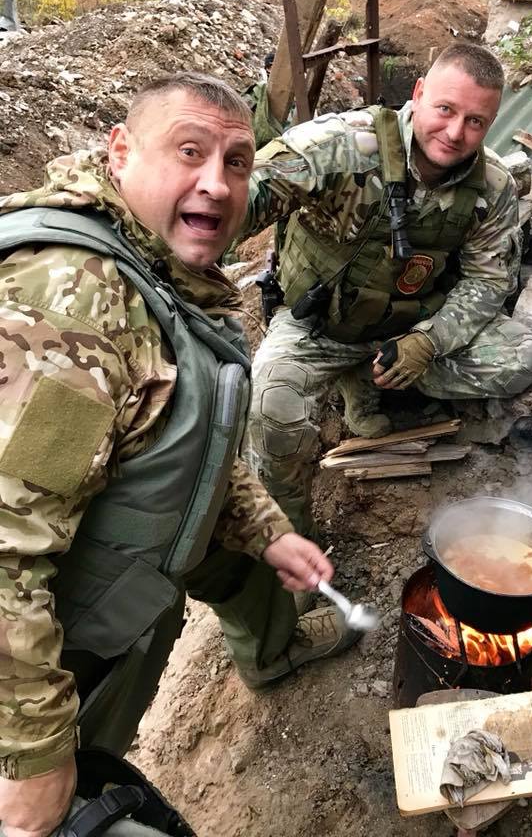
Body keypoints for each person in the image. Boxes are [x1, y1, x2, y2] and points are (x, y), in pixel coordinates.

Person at [0, 72, 358, 837]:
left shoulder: (157, 274)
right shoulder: (76, 306)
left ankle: (269, 648)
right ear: (121, 151)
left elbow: (173, 431)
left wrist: (267, 528)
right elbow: (3, 554)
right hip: (29, 679)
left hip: (102, 623)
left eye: (235, 162)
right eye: (188, 151)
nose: (217, 184)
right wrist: (34, 759)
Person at [236, 42, 532, 534]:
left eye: (475, 121)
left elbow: (488, 281)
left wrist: (427, 342)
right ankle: (286, 549)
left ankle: (369, 379)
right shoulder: (339, 143)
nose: (455, 132)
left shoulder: (492, 187)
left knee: (520, 359)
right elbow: (243, 197)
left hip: (406, 331)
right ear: (419, 94)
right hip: (319, 326)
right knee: (270, 412)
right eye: (445, 109)